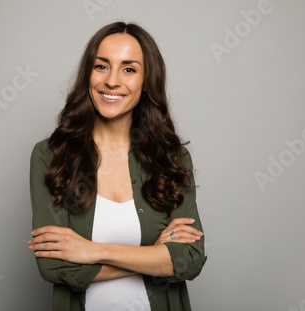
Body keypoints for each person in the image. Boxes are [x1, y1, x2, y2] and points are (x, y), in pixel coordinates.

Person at [27, 21, 207, 311]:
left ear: (147, 81)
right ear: (88, 73)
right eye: (101, 66)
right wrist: (156, 257)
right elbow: (53, 267)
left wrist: (91, 251)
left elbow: (189, 259)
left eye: (129, 69)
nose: (112, 81)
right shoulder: (51, 155)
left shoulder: (171, 158)